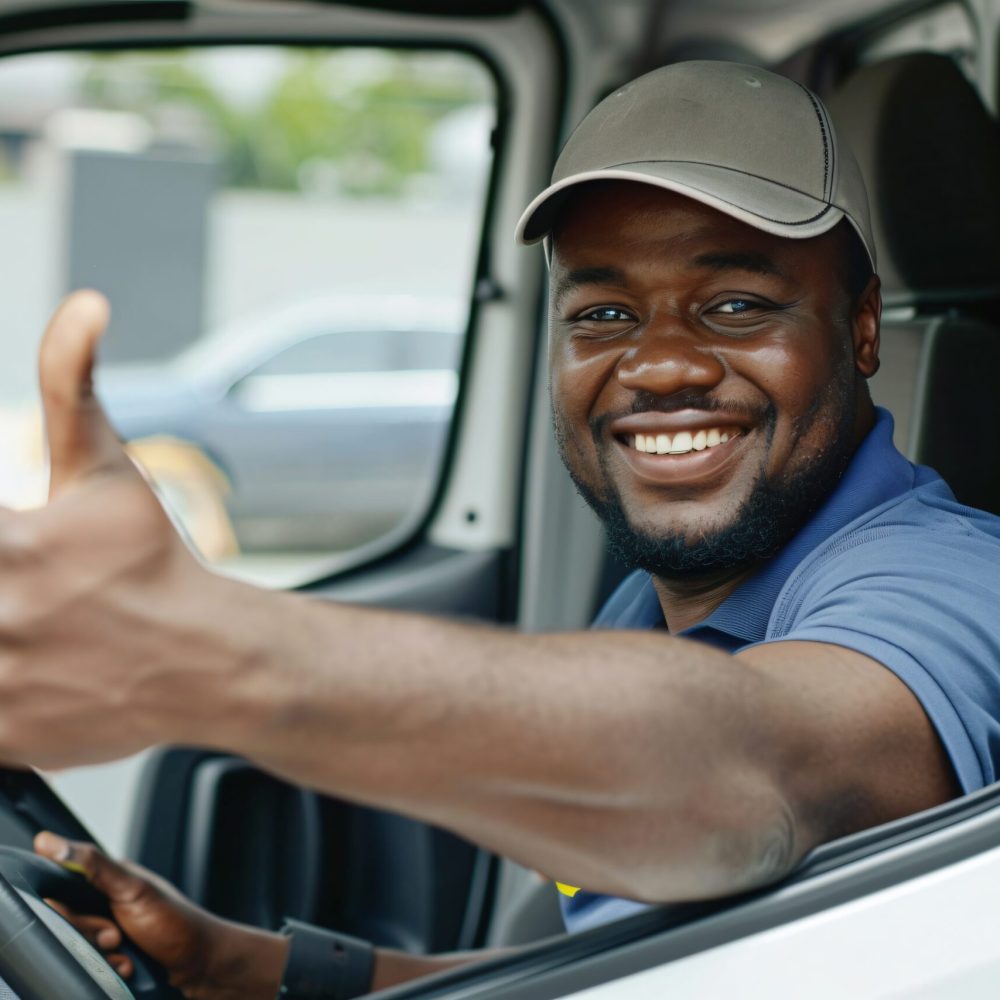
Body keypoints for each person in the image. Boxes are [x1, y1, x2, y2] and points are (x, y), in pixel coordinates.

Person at [8, 58, 999, 997]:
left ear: (862, 326)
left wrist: (203, 652)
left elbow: (741, 768)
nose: (657, 367)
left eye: (735, 304)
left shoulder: (953, 584)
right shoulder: (658, 603)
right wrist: (256, 970)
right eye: (603, 314)